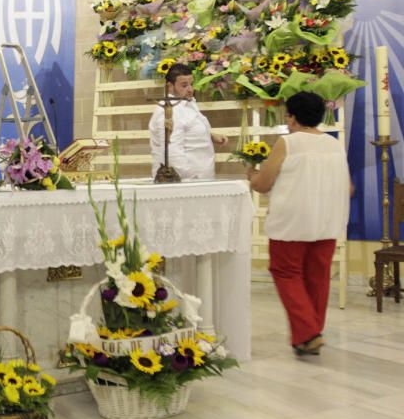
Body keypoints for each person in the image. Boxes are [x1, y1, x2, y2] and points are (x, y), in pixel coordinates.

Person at [247, 91, 350, 356]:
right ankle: (310, 334)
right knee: (318, 277)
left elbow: (263, 184)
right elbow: (348, 188)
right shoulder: (334, 144)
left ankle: (308, 332)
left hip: (292, 222)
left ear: (291, 118)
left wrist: (251, 174)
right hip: (326, 220)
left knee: (285, 272)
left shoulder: (288, 143)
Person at [148, 63, 228, 180]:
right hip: (185, 182)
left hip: (201, 180)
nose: (190, 89)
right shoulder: (169, 110)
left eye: (191, 84)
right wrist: (192, 178)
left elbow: (187, 131)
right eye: (184, 85)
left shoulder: (187, 103)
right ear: (170, 86)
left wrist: (210, 136)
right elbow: (172, 152)